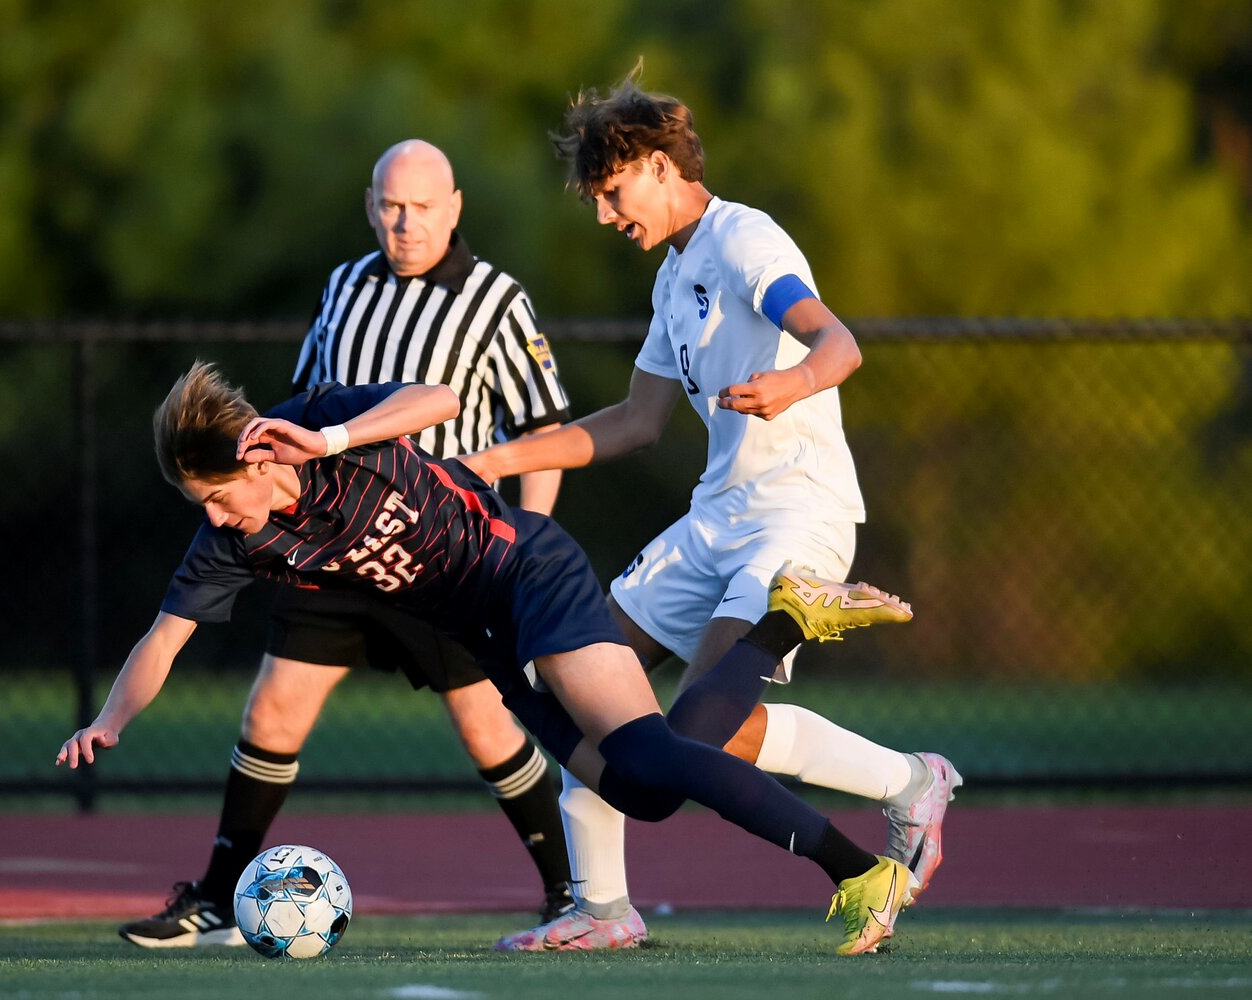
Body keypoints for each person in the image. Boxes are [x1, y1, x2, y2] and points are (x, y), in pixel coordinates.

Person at [58, 362, 920, 955]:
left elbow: (437, 401)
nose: (212, 518)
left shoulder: (316, 423)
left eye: (215, 497)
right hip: (487, 639)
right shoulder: (236, 543)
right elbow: (163, 637)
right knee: (640, 789)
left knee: (652, 751)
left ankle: (859, 873)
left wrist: (328, 440)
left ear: (250, 455)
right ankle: (786, 622)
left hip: (526, 571)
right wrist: (108, 720)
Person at [462, 69, 961, 951]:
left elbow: (837, 343)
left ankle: (906, 784)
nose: (610, 217)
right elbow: (633, 422)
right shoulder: (671, 279)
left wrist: (791, 383)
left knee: (695, 734)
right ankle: (603, 912)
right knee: (576, 681)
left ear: (658, 166)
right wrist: (493, 459)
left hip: (794, 514)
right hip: (713, 521)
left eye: (614, 194)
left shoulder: (742, 240)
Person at [115, 140, 576, 948]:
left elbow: (543, 431)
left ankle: (568, 891)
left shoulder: (496, 299)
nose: (405, 223)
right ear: (371, 206)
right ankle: (219, 898)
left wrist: (523, 557)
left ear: (454, 207)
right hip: (321, 544)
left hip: (434, 550)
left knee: (488, 725)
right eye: (391, 206)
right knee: (275, 708)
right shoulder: (343, 286)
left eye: (423, 207)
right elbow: (299, 407)